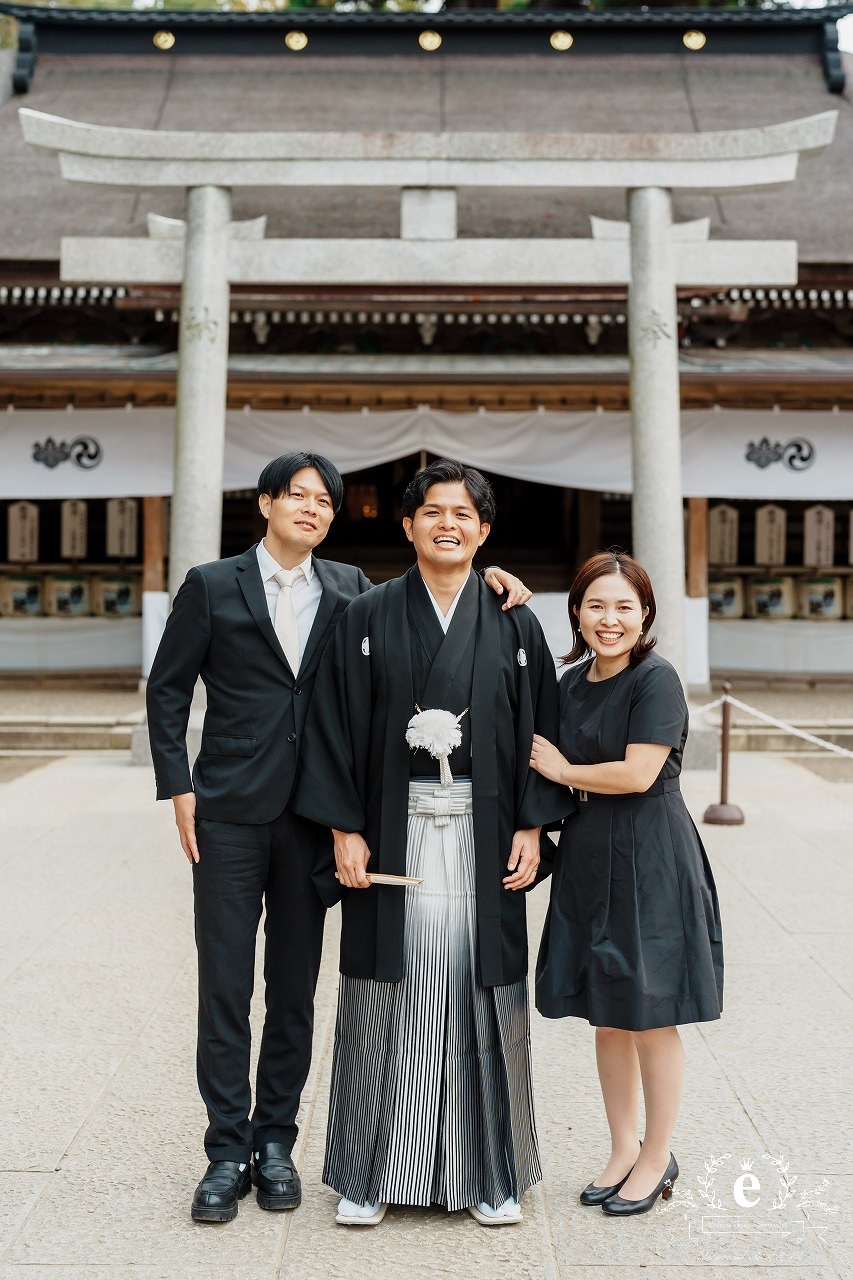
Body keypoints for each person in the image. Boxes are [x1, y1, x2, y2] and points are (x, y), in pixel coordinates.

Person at [146, 450, 530, 1224]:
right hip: (227, 808)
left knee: (292, 987)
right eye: (299, 496)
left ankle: (276, 1142)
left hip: (310, 817)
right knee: (223, 984)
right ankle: (226, 1152)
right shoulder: (211, 586)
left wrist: (503, 580)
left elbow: (430, 594)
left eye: (325, 500)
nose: (313, 510)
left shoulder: (350, 588)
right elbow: (167, 686)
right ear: (264, 503)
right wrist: (178, 785)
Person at [294, 459, 574, 1228]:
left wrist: (530, 822)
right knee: (389, 986)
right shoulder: (368, 615)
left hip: (484, 831)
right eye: (432, 512)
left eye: (462, 514)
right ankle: (368, 1172)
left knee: (481, 988)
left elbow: (540, 722)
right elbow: (332, 726)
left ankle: (492, 1173)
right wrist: (343, 829)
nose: (446, 524)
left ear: (483, 531)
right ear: (408, 524)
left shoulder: (514, 620)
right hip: (393, 829)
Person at [530, 550, 724, 1217]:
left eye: (623, 607)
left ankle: (657, 1153)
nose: (608, 620)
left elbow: (639, 773)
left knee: (648, 1013)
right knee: (607, 1014)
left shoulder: (655, 680)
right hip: (589, 852)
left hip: (648, 853)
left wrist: (561, 770)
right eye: (594, 605)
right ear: (576, 612)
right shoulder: (569, 681)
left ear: (644, 613)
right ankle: (621, 1146)